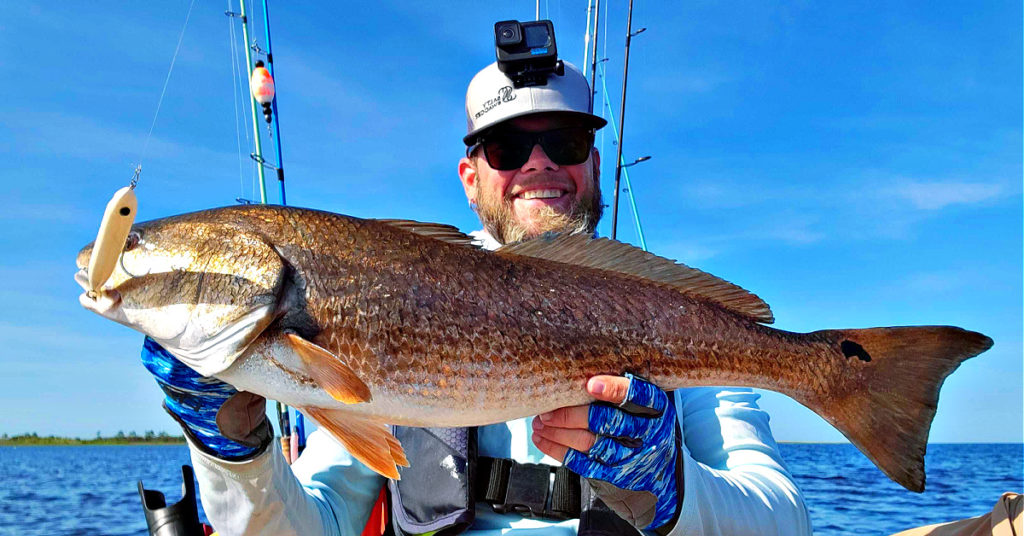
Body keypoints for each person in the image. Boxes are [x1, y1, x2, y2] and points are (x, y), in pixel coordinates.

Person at [141, 59, 812, 536]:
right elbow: (311, 527)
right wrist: (233, 451)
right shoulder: (384, 289)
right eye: (507, 147)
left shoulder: (667, 313)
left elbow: (785, 519)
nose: (539, 163)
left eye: (565, 140)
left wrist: (675, 490)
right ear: (470, 177)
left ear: (594, 163)